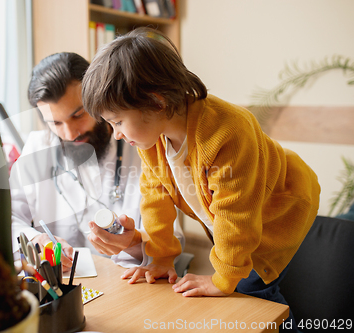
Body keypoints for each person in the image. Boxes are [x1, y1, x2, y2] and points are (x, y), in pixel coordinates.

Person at [81, 28, 320, 331]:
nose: (116, 134)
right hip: (241, 217)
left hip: (280, 210)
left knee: (251, 296)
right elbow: (155, 198)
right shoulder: (152, 139)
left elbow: (237, 217)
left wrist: (222, 279)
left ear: (155, 103)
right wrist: (161, 258)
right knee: (238, 287)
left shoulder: (228, 132)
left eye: (117, 122)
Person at [0, 52, 185, 272]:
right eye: (55, 123)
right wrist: (34, 240)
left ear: (98, 100)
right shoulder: (38, 147)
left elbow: (173, 239)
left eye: (78, 115)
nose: (69, 134)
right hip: (62, 285)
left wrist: (134, 242)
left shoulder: (143, 146)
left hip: (126, 282)